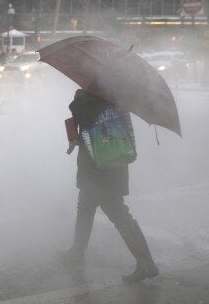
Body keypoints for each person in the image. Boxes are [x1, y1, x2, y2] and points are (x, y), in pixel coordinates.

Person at [64, 89, 158, 283]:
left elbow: (87, 118)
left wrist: (78, 101)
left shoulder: (99, 95)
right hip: (111, 161)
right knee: (85, 208)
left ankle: (146, 263)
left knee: (118, 213)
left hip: (100, 166)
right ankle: (77, 252)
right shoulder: (118, 94)